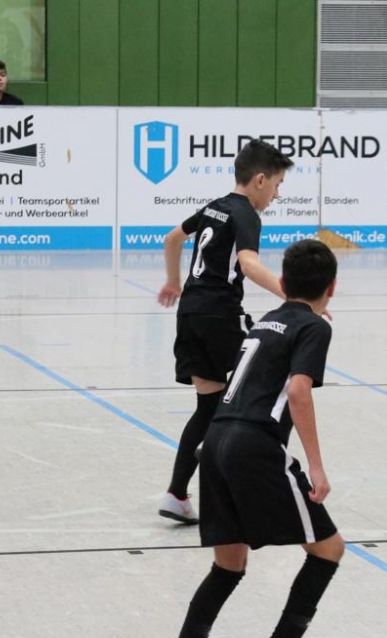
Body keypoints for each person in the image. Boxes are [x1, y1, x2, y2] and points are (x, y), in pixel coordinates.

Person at [167, 239, 343, 638]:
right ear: (332, 287)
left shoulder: (265, 321)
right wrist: (316, 466)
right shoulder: (315, 327)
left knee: (228, 567)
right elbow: (298, 391)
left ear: (282, 281)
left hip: (215, 440)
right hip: (255, 444)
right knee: (328, 549)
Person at [156, 139, 290, 525]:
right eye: (277, 185)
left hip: (190, 315)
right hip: (220, 316)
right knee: (280, 385)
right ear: (260, 180)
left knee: (209, 407)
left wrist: (174, 281)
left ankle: (177, 494)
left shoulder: (214, 206)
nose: (277, 195)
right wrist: (294, 297)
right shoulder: (247, 214)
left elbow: (172, 238)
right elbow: (249, 265)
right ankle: (257, 476)